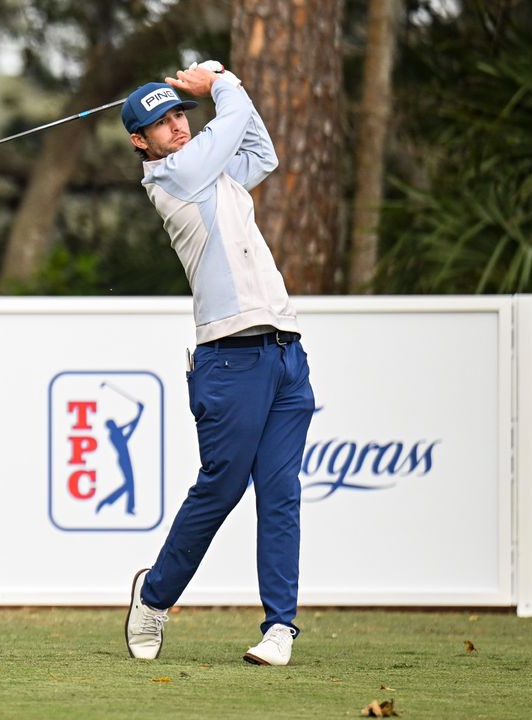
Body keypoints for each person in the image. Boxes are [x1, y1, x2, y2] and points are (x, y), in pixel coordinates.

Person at [120, 61, 316, 667]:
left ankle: (280, 628)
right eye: (162, 122)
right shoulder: (176, 176)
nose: (177, 127)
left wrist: (228, 81)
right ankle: (153, 598)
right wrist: (221, 85)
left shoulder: (216, 172)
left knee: (280, 494)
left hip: (285, 353)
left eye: (180, 113)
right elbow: (231, 125)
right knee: (221, 489)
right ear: (140, 142)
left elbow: (261, 149)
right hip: (229, 361)